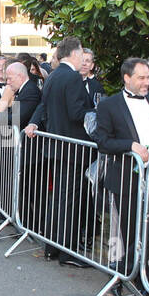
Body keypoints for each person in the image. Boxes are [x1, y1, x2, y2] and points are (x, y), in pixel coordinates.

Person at [92, 58, 149, 278]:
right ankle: (138, 279)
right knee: (132, 231)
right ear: (127, 78)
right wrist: (129, 145)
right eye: (141, 78)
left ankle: (125, 266)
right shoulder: (110, 105)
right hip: (126, 177)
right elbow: (103, 141)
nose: (147, 82)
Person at [25, 37, 94, 267]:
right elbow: (76, 113)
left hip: (58, 146)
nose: (83, 57)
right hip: (71, 146)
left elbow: (46, 106)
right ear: (74, 53)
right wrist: (96, 112)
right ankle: (66, 251)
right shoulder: (72, 77)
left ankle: (53, 247)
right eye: (82, 52)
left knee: (59, 198)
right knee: (68, 199)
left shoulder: (53, 75)